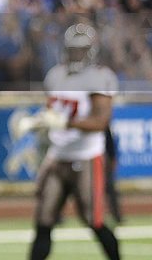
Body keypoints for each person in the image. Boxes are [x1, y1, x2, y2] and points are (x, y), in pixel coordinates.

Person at [15, 24, 121, 260]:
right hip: (58, 156)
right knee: (43, 220)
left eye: (81, 49)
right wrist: (37, 122)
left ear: (91, 50)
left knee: (94, 220)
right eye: (73, 49)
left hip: (87, 157)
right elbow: (52, 113)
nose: (76, 54)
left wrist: (65, 123)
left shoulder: (100, 77)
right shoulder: (55, 75)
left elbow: (100, 121)